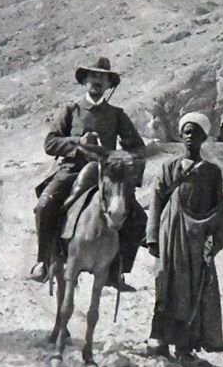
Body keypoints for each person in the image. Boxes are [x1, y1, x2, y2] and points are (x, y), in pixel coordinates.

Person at [28, 57, 147, 293]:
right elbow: (50, 143)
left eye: (102, 77)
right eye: (93, 76)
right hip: (72, 171)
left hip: (106, 175)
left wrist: (120, 159)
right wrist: (77, 142)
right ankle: (45, 262)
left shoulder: (117, 115)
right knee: (45, 206)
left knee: (138, 218)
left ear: (109, 84)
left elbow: (137, 148)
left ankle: (118, 271)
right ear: (85, 81)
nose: (97, 81)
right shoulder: (71, 110)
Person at [145, 112, 223, 367]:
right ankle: (160, 341)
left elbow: (219, 208)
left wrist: (214, 240)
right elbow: (156, 202)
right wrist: (153, 238)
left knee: (190, 291)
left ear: (204, 137)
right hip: (170, 235)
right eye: (187, 132)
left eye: (196, 133)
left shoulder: (212, 172)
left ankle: (184, 347)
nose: (191, 137)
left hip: (195, 242)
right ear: (181, 136)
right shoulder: (169, 168)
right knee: (165, 285)